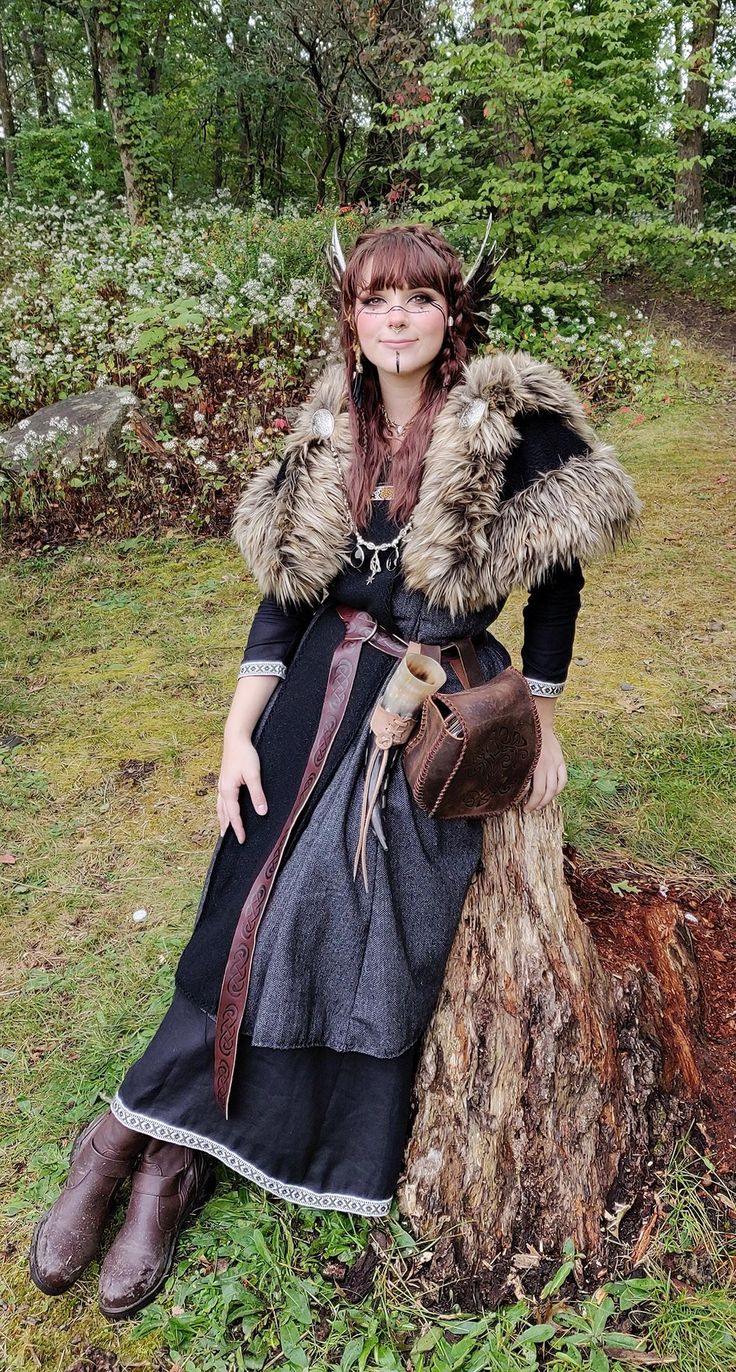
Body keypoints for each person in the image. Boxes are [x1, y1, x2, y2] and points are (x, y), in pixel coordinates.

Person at [29, 222, 642, 1319]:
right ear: (350, 320)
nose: (395, 319)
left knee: (342, 920)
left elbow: (558, 583)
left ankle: (158, 1148)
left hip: (437, 703)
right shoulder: (330, 427)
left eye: (417, 299)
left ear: (454, 313)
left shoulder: (515, 425)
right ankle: (132, 1145)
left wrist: (538, 717)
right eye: (374, 301)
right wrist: (233, 734)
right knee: (242, 908)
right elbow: (286, 598)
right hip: (316, 692)